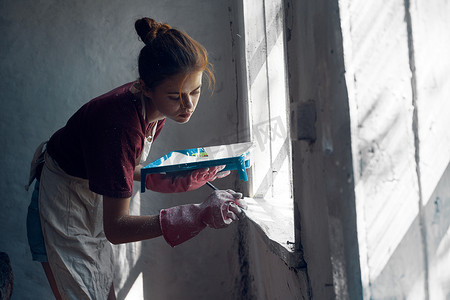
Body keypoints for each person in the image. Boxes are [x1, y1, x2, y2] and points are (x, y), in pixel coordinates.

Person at [25, 17, 247, 300]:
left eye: (195, 91)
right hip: (60, 203)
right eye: (176, 96)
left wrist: (180, 172)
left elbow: (123, 165)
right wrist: (197, 214)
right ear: (145, 87)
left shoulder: (155, 107)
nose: (188, 106)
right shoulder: (121, 125)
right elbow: (116, 228)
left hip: (87, 194)